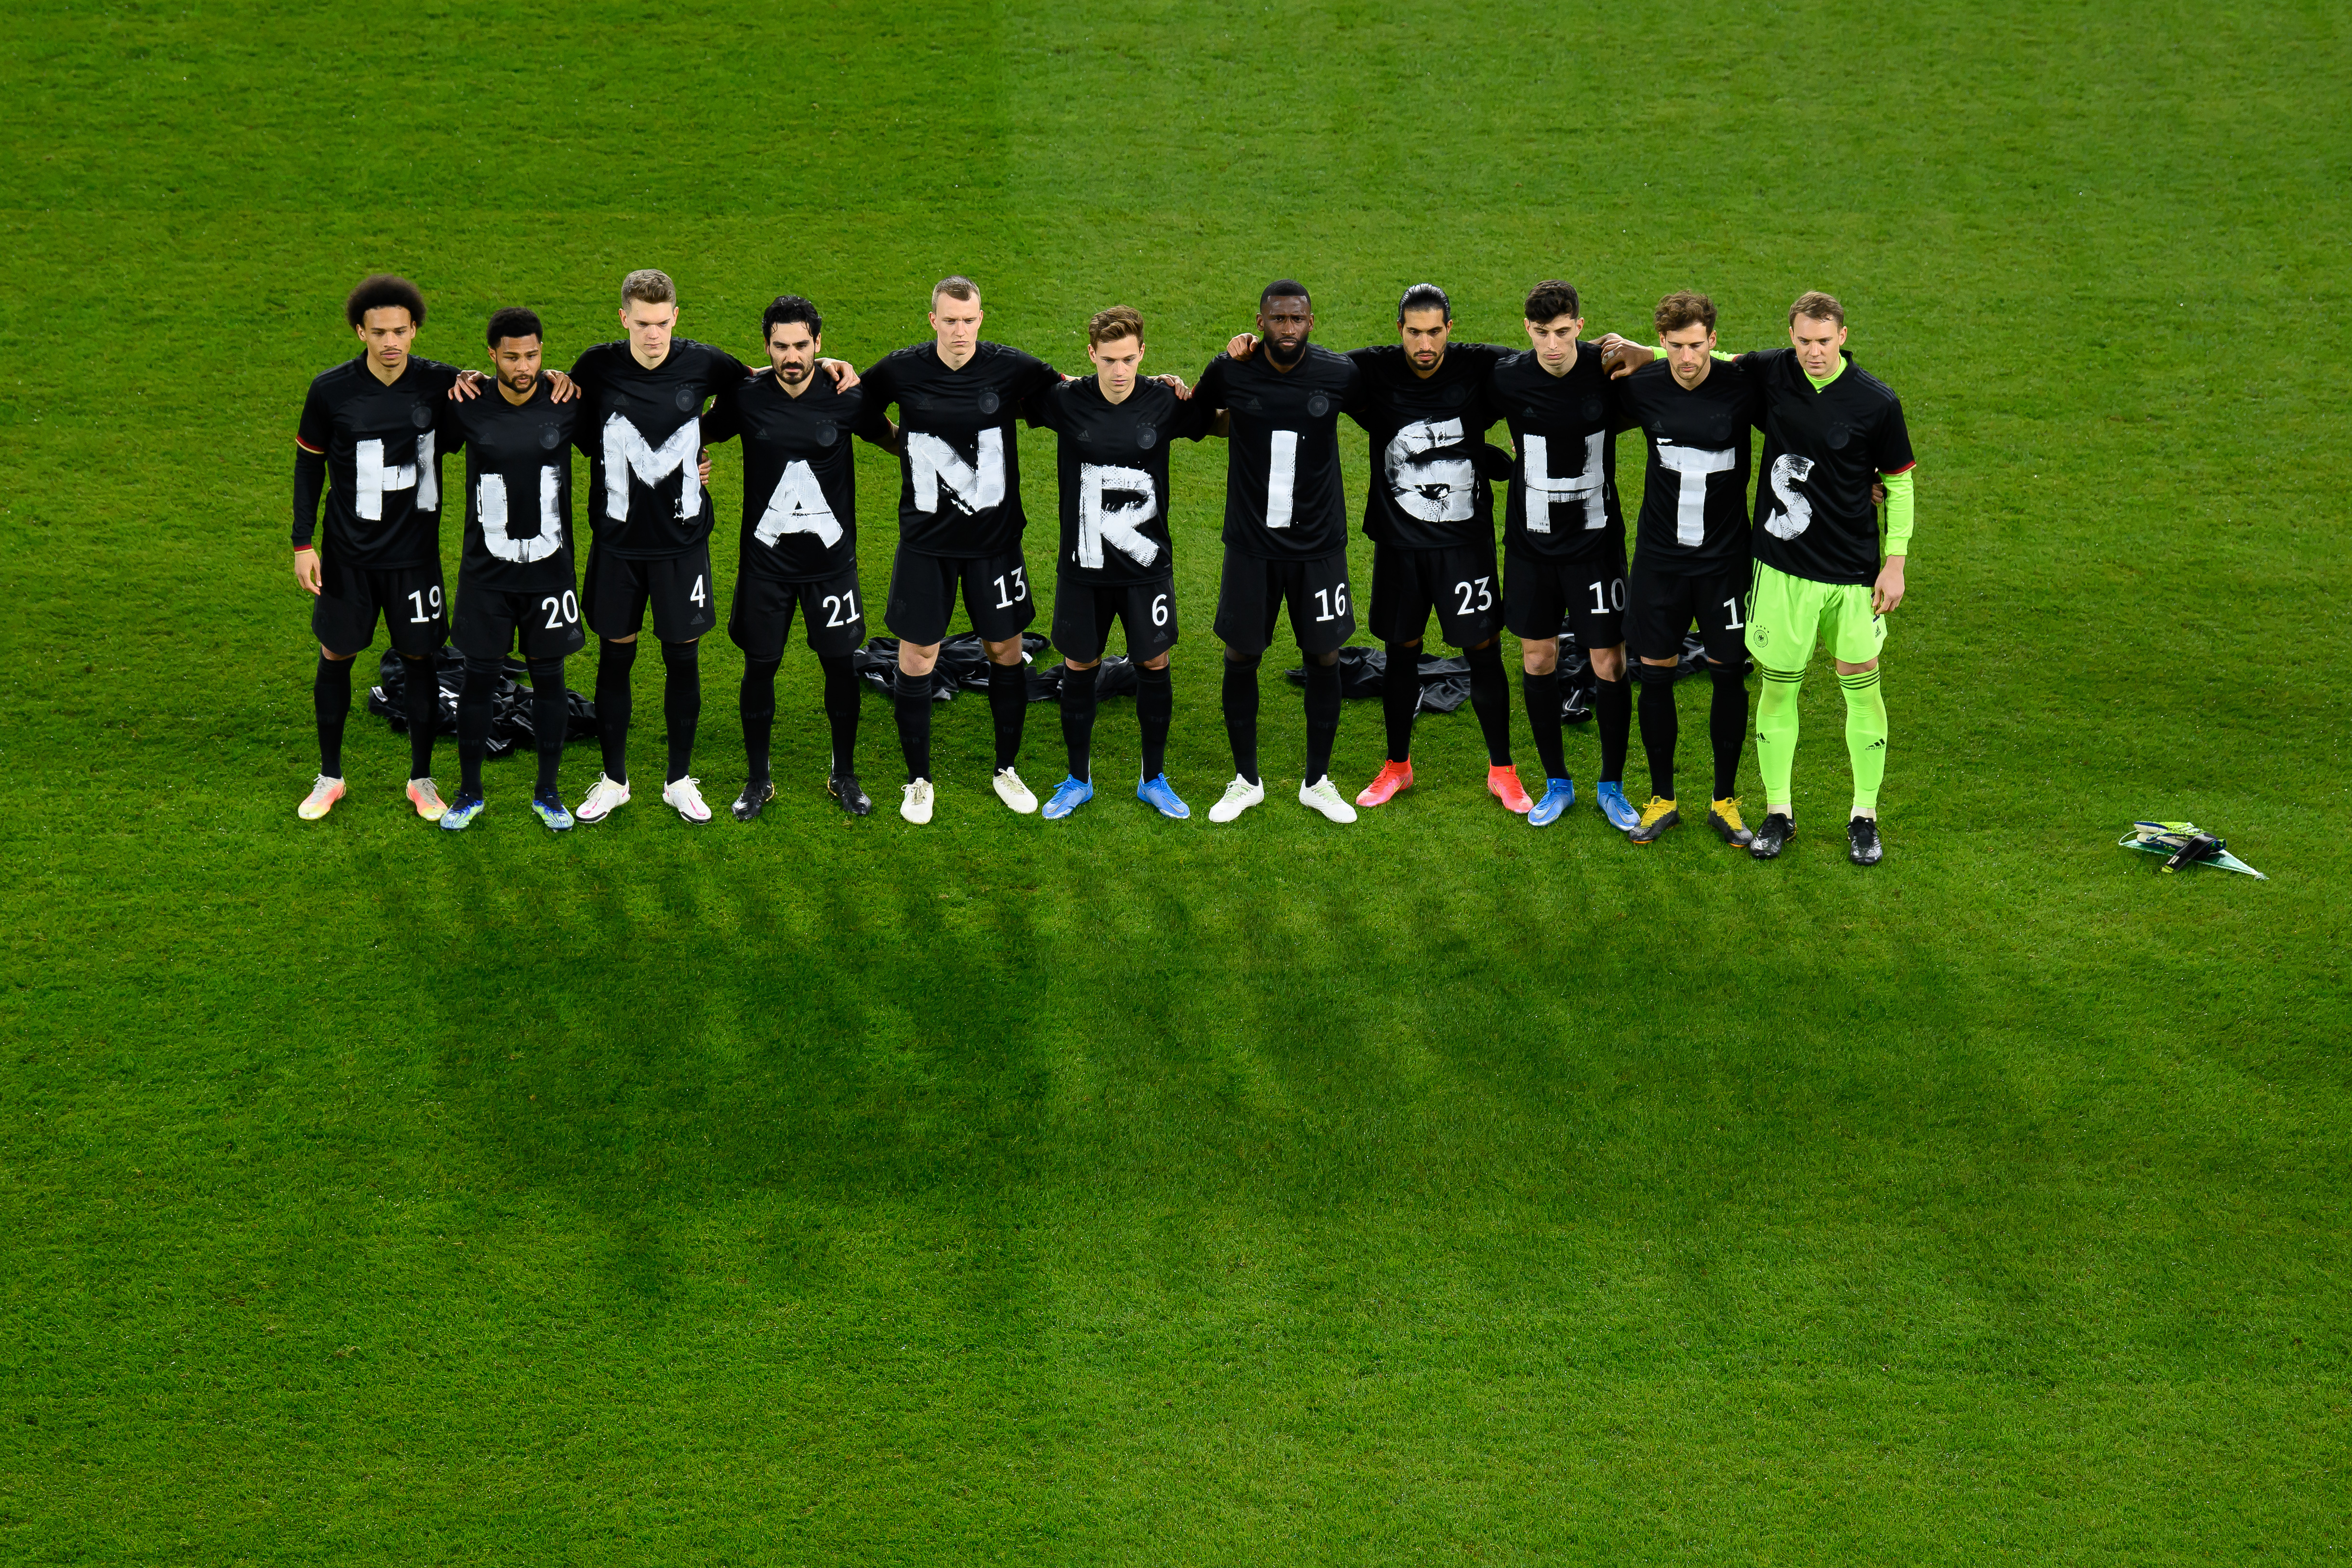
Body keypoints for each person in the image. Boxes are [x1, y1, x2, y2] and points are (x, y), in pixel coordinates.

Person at [1605, 291, 1915, 863]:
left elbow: (1897, 481)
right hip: (1774, 566)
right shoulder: (1771, 371)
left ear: (1843, 337)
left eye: (1823, 341)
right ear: (1790, 337)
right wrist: (1644, 350)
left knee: (1856, 681)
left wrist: (1894, 561)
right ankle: (1774, 811)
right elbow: (1694, 362)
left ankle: (1861, 816)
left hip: (1842, 571)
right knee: (1771, 685)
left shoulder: (1874, 400)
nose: (1813, 352)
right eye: (1803, 341)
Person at [1224, 284, 1524, 812]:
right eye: (1414, 332)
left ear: (1450, 329)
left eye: (1435, 331)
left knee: (1483, 651)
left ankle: (1504, 770)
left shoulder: (1484, 366)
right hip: (1399, 544)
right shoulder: (1368, 370)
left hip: (1464, 544)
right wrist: (1253, 347)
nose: (1425, 343)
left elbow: (1542, 377)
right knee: (1401, 653)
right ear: (1400, 330)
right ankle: (1397, 767)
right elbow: (1302, 368)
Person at [852, 277, 1064, 824]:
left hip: (995, 546)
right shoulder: (901, 368)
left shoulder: (1011, 366)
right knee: (916, 656)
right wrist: (891, 438)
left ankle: (1006, 768)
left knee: (1006, 652)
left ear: (981, 319)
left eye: (969, 320)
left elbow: (1071, 391)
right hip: (925, 545)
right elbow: (856, 404)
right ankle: (918, 780)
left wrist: (1153, 384)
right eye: (950, 320)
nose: (960, 331)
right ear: (933, 321)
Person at [699, 294, 894, 821]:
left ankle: (845, 775)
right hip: (766, 569)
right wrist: (694, 459)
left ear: (819, 344)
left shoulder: (846, 395)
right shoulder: (746, 397)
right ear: (767, 346)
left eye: (802, 345)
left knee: (840, 666)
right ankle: (758, 779)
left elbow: (893, 441)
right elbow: (697, 431)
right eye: (781, 346)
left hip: (831, 567)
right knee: (760, 667)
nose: (792, 356)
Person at [1023, 306, 1219, 819]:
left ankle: (1153, 778)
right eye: (1108, 359)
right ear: (1091, 355)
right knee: (1078, 665)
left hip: (1145, 571)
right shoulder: (1066, 400)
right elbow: (1007, 393)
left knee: (1154, 663)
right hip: (1083, 571)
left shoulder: (1164, 400)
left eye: (1129, 359)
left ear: (1143, 355)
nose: (1119, 370)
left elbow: (1217, 421)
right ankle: (1077, 779)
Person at [1192, 280, 1366, 824]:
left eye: (1297, 319)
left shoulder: (1340, 374)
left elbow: (1390, 413)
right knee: (1241, 655)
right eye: (1277, 319)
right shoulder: (1230, 370)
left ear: (1312, 321)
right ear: (1260, 321)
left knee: (1325, 657)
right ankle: (1246, 780)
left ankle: (1318, 780)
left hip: (1319, 549)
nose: (1287, 328)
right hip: (1251, 548)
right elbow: (1195, 420)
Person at [291, 275, 463, 822]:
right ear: (359, 331)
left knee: (420, 659)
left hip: (415, 559)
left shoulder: (444, 385)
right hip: (348, 557)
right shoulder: (330, 390)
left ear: (415, 331)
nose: (391, 341)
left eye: (401, 330)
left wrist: (549, 376)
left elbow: (510, 402)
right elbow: (308, 463)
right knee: (337, 654)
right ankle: (329, 776)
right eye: (379, 331)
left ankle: (422, 779)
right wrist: (302, 541)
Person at [1605, 291, 1763, 847]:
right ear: (1664, 343)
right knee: (1655, 671)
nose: (1687, 358)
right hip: (1660, 563)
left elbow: (1804, 418)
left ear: (1714, 341)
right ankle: (1662, 797)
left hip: (1723, 564)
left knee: (1727, 672)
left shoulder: (1744, 387)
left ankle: (1724, 800)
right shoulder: (1642, 388)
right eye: (1674, 347)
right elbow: (1582, 412)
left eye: (1697, 345)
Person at [1488, 280, 1640, 829]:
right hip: (1531, 549)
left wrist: (1642, 349)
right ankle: (1557, 783)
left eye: (1562, 332)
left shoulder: (1610, 369)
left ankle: (1612, 786)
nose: (1553, 345)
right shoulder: (1506, 375)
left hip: (1596, 548)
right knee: (1538, 658)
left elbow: (1686, 379)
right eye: (1541, 333)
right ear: (1526, 329)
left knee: (1610, 662)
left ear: (1580, 325)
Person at [434, 307, 587, 831]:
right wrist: (457, 380)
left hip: (549, 573)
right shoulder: (467, 404)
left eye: (533, 355)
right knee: (478, 682)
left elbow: (617, 442)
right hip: (486, 574)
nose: (524, 366)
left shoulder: (567, 402)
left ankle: (549, 792)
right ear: (492, 355)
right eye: (513, 356)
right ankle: (468, 793)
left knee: (550, 682)